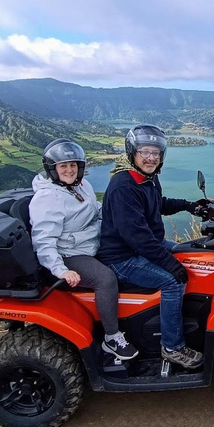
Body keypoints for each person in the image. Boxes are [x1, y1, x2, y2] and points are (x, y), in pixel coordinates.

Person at [98, 125, 208, 369]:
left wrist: (191, 206)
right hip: (122, 257)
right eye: (145, 152)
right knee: (173, 280)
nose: (151, 158)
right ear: (132, 153)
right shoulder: (123, 186)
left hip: (144, 246)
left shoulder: (147, 178)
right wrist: (169, 264)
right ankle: (172, 346)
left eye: (155, 153)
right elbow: (137, 238)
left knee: (191, 254)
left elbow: (158, 204)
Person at [29, 138, 138, 360]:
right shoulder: (48, 198)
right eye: (63, 166)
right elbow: (43, 240)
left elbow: (97, 209)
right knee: (105, 279)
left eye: (73, 165)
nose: (69, 170)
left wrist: (123, 219)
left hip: (90, 244)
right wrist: (61, 270)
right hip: (69, 254)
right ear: (52, 169)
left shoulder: (81, 186)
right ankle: (111, 337)